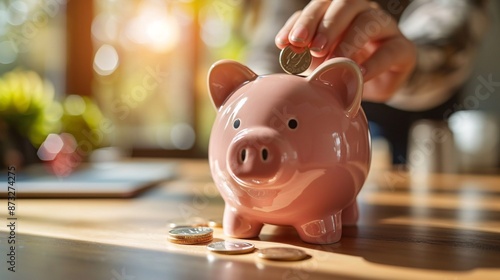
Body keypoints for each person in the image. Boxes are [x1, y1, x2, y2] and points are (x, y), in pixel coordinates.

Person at [243, 0, 489, 165]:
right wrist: (256, 107)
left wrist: (412, 62)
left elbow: (456, 24)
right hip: (310, 138)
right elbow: (269, 48)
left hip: (422, 135)